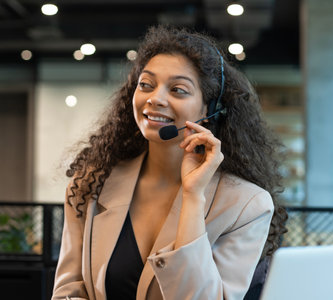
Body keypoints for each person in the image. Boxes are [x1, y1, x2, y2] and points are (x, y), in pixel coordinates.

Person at [52, 25, 287, 300]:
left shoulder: (246, 205)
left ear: (208, 110)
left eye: (178, 90)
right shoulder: (91, 183)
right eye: (146, 85)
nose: (155, 99)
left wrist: (193, 196)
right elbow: (68, 292)